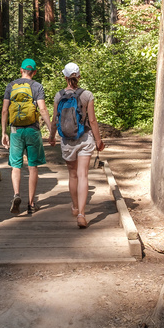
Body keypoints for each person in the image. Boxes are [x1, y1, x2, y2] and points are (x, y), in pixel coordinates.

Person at [49, 62, 105, 228]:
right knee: (83, 175)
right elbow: (93, 121)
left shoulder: (59, 96)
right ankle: (81, 214)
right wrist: (98, 140)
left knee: (72, 175)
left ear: (65, 77)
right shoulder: (87, 95)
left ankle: (74, 207)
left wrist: (52, 137)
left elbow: (54, 120)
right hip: (85, 138)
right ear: (79, 76)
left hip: (67, 140)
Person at [1, 58, 55, 215]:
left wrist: (4, 132)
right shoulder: (37, 86)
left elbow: (5, 110)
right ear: (35, 72)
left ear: (21, 70)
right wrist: (51, 131)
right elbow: (43, 109)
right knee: (33, 167)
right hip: (32, 130)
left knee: (16, 165)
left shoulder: (11, 86)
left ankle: (16, 194)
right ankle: (31, 204)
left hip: (15, 130)